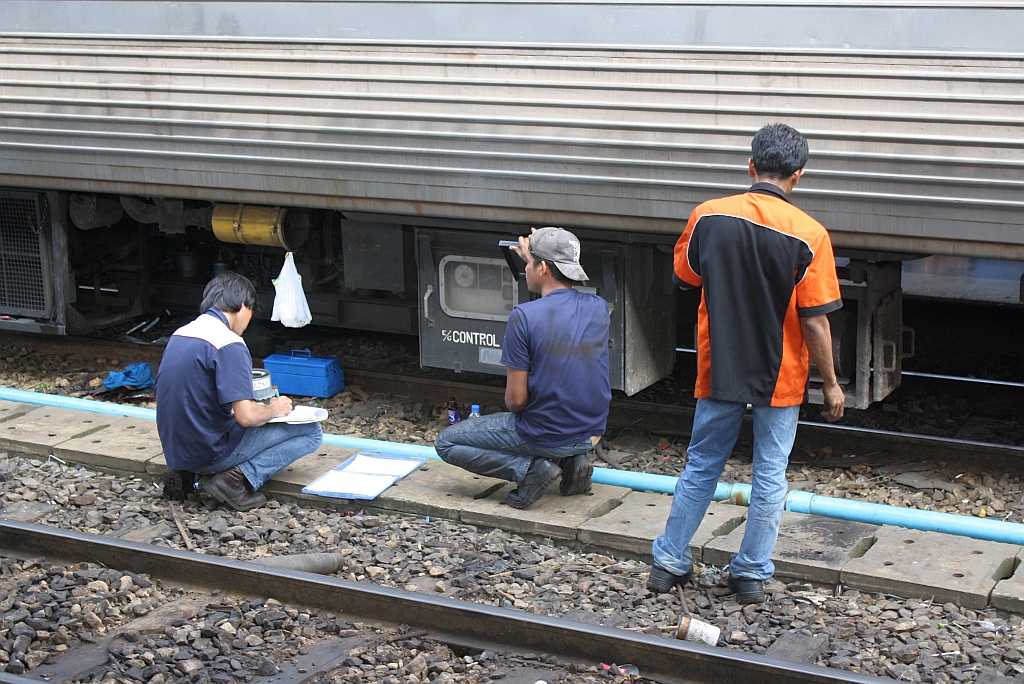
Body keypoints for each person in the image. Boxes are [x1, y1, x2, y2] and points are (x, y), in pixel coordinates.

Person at [648, 124, 845, 604]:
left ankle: (669, 562)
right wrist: (831, 384)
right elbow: (815, 321)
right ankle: (751, 574)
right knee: (770, 475)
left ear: (751, 165)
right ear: (798, 175)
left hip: (721, 367)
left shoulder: (708, 216)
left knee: (702, 465)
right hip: (783, 375)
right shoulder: (810, 235)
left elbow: (685, 276)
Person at [435, 227, 611, 509]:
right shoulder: (598, 307)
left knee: (446, 442)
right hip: (590, 434)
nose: (526, 268)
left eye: (529, 263)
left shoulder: (524, 316)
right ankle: (574, 461)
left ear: (543, 269)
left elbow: (516, 402)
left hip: (547, 436)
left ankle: (529, 470)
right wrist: (537, 257)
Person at [156, 272, 323, 511]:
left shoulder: (181, 334)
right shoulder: (228, 342)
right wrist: (273, 409)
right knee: (311, 431)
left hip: (176, 451)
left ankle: (186, 473)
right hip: (208, 453)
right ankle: (233, 480)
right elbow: (247, 417)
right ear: (244, 305)